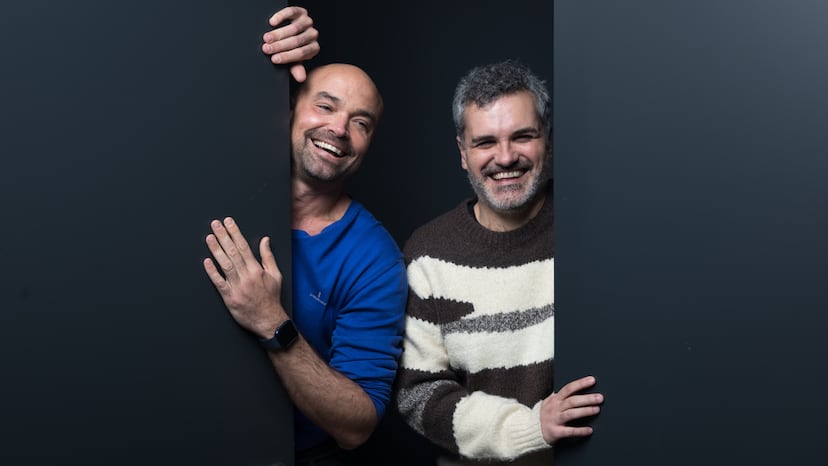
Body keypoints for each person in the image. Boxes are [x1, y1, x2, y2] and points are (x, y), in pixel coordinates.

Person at [203, 7, 408, 465]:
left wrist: (272, 322)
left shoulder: (375, 259)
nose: (339, 129)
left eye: (361, 122)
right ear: (291, 107)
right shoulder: (216, 182)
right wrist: (272, 31)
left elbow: (358, 425)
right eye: (325, 106)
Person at [394, 60, 605, 466]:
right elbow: (419, 395)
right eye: (485, 142)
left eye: (522, 136)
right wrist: (530, 427)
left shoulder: (592, 226)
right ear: (463, 153)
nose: (505, 158)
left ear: (547, 141)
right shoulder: (428, 255)